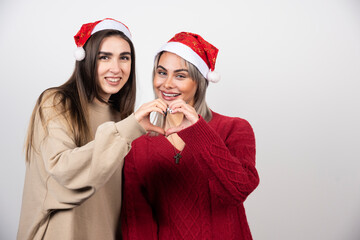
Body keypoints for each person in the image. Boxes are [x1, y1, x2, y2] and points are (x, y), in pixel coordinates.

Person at [17, 18, 165, 240]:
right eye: (104, 57)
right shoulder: (56, 102)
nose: (116, 68)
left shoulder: (121, 117)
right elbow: (63, 172)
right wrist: (128, 128)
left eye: (124, 58)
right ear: (85, 60)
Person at [120, 32, 260, 239]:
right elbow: (137, 223)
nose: (167, 84)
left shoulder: (235, 129)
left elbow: (237, 191)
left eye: (180, 75)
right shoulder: (138, 143)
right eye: (161, 72)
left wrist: (197, 132)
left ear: (199, 82)